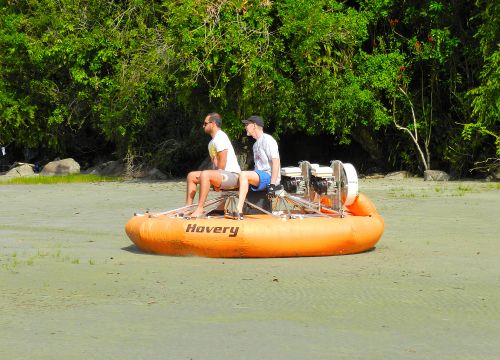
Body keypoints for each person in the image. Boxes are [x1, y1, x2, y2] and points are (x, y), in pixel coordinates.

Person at [186, 113, 241, 218]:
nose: (203, 126)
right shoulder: (211, 143)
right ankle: (188, 208)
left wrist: (216, 181)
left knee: (205, 175)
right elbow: (215, 164)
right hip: (222, 174)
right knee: (191, 176)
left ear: (213, 124)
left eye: (205, 123)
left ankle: (200, 208)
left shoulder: (221, 137)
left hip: (233, 176)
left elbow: (223, 161)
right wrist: (214, 177)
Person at [233, 115, 281, 219]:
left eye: (247, 124)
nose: (245, 127)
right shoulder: (255, 145)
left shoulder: (268, 140)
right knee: (237, 177)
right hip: (260, 175)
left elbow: (275, 162)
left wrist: (272, 185)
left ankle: (239, 210)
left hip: (269, 176)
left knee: (244, 175)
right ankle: (221, 209)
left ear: (254, 126)